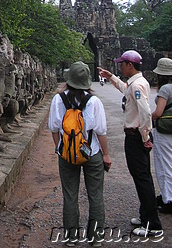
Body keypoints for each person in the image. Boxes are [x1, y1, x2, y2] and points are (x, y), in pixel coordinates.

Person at [98, 50, 163, 237]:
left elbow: (145, 112)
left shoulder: (138, 85)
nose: (120, 67)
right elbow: (124, 88)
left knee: (142, 178)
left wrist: (145, 137)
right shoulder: (135, 83)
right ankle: (145, 216)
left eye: (122, 64)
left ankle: (153, 224)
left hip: (136, 136)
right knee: (141, 177)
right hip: (135, 135)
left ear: (129, 65)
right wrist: (111, 77)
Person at [49, 61, 111, 246]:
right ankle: (96, 237)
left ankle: (71, 238)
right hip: (91, 152)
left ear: (68, 80)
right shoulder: (94, 101)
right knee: (96, 196)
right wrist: (106, 155)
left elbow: (53, 128)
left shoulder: (58, 99)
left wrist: (60, 148)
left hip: (67, 154)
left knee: (70, 196)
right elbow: (101, 132)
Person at [151, 57, 172, 214]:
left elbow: (158, 112)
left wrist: (148, 117)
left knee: (164, 166)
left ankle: (168, 199)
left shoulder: (166, 89)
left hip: (165, 132)